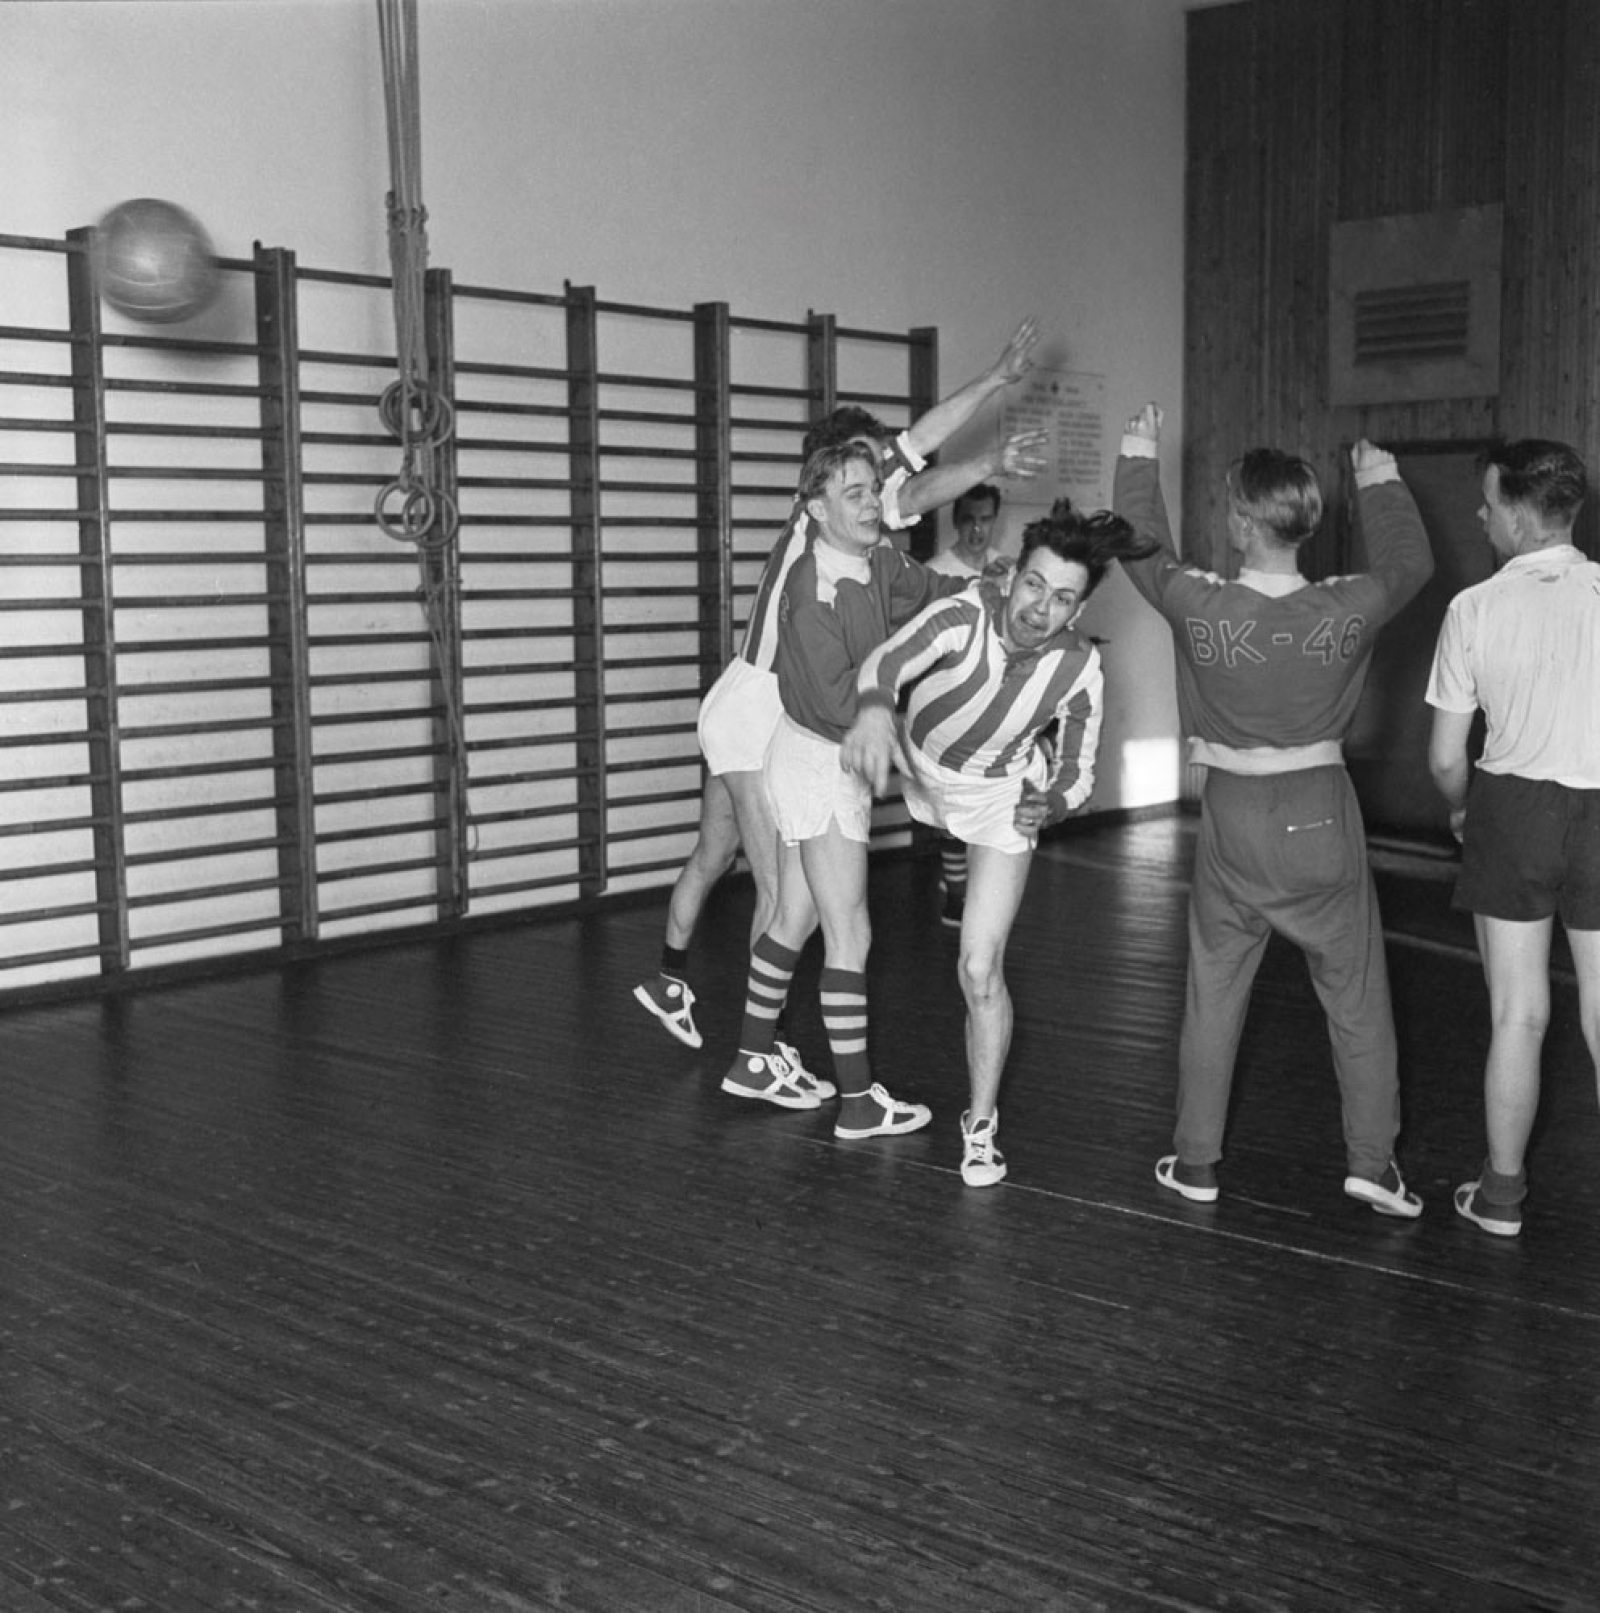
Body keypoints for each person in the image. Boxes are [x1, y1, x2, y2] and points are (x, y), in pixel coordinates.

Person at [633, 321, 1047, 1055]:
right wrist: (990, 423)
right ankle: (766, 1049)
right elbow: (920, 467)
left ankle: (668, 977)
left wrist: (993, 382)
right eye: (881, 459)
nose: (888, 472)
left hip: (737, 702)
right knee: (785, 895)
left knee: (713, 853)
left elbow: (920, 461)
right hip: (763, 709)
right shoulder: (841, 508)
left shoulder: (833, 515)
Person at [1113, 403, 1433, 1217]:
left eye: (1227, 502)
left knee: (1215, 993)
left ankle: (1195, 1162)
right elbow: (1409, 561)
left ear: (1245, 521)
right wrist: (1380, 476)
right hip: (1321, 808)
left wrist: (1140, 450)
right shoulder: (1347, 603)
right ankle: (1371, 1163)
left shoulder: (1202, 602)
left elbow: (1139, 546)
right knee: (1357, 998)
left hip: (1231, 814)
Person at [840, 500, 1157, 1184]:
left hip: (998, 799)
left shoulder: (1079, 668)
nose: (1041, 608)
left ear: (1078, 612)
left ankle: (979, 1124)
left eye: (1063, 599)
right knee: (816, 906)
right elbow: (885, 663)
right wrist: (871, 712)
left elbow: (1077, 773)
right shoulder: (964, 614)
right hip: (910, 763)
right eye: (1036, 585)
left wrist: (1053, 805)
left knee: (979, 970)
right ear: (1013, 575)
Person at [720, 440, 976, 1128]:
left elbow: (929, 593)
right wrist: (897, 723)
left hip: (817, 762)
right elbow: (842, 706)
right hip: (818, 765)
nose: (872, 504)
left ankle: (750, 1057)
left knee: (794, 920)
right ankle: (859, 1102)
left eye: (873, 490)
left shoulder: (878, 559)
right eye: (854, 494)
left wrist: (988, 592)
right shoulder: (814, 589)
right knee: (850, 933)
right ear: (816, 508)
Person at [1425, 439, 1600, 1238]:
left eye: (1489, 503)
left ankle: (1501, 1198)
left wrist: (1464, 811)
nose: (1480, 514)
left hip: (1510, 810)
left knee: (1517, 1014)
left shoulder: (1474, 608)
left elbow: (1442, 758)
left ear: (1523, 516)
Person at [925, 482, 1008, 925]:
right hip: (949, 697)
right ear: (958, 521)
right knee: (951, 804)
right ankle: (957, 893)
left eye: (986, 519)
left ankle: (968, 885)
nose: (978, 529)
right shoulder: (936, 571)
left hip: (994, 699)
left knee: (988, 800)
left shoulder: (1006, 569)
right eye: (970, 519)